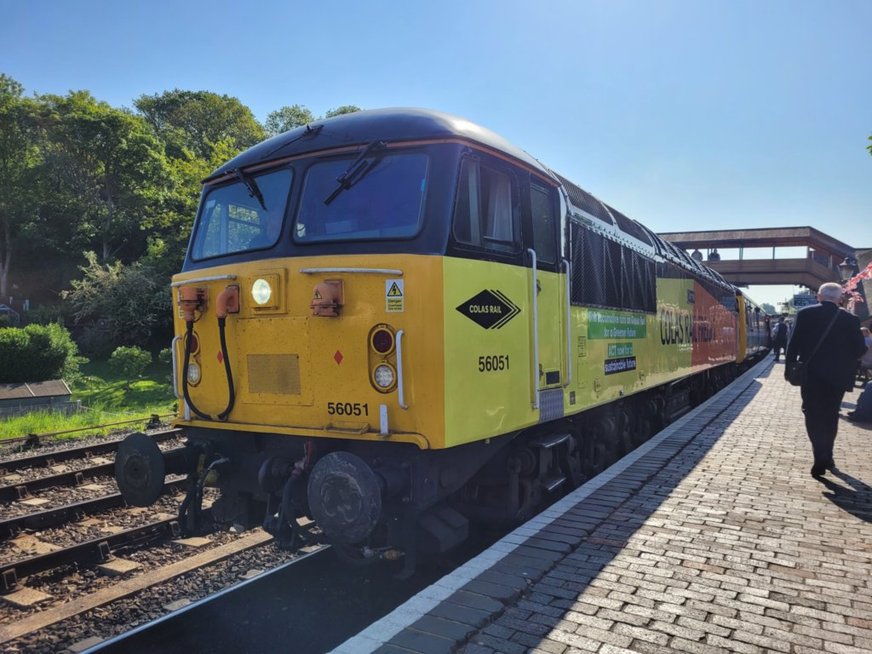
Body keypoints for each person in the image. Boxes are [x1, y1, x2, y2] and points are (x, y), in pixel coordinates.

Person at [785, 282, 867, 479]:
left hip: (811, 374)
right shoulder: (851, 319)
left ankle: (819, 454)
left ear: (819, 296)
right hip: (838, 377)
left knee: (812, 413)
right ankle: (827, 454)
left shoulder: (805, 314)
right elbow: (859, 350)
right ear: (840, 299)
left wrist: (789, 369)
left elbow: (793, 345)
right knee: (831, 414)